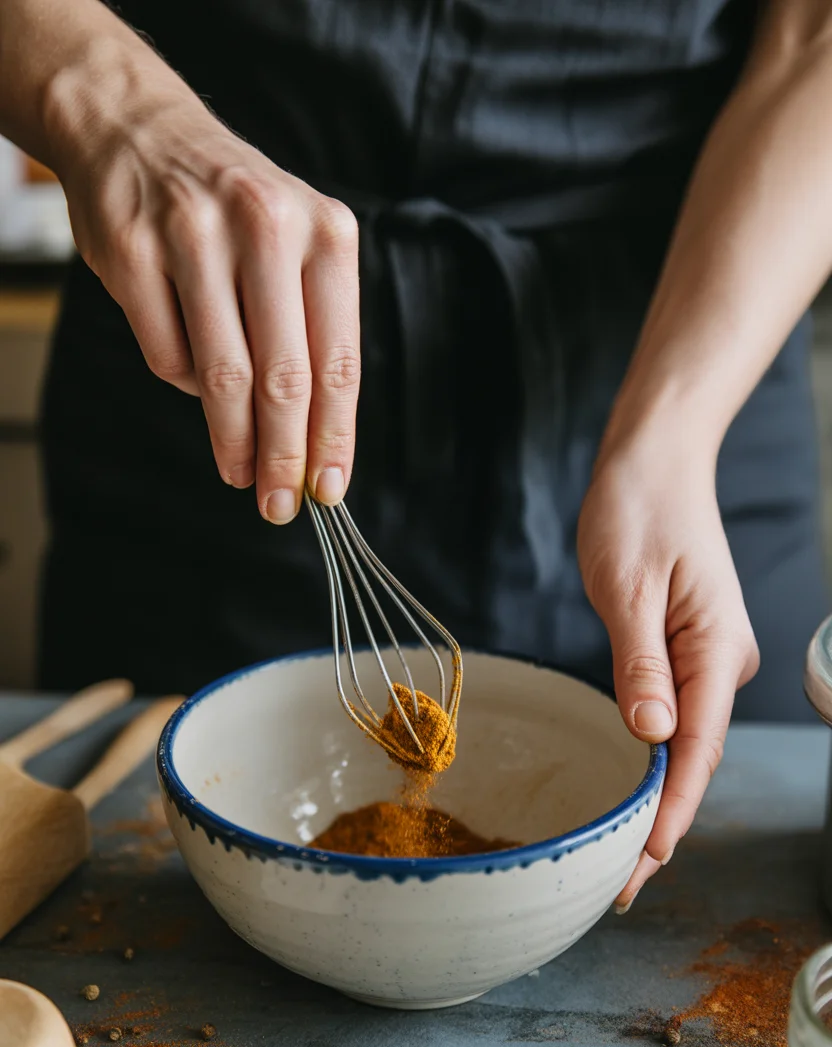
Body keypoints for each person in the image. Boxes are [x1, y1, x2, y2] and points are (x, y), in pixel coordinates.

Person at [0, 0, 829, 911]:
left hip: (690, 322)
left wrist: (671, 436)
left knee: (745, 888)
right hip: (216, 302)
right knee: (133, 877)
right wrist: (104, 96)